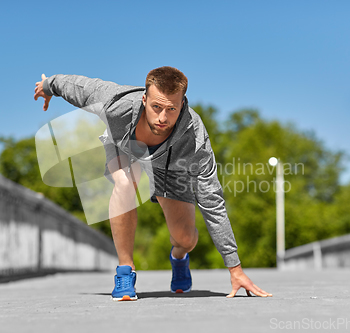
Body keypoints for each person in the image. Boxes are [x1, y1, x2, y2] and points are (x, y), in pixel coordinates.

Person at [34, 66, 272, 301]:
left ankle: (179, 257)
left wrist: (235, 268)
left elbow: (212, 201)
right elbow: (77, 86)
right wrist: (47, 86)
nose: (162, 118)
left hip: (171, 164)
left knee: (186, 238)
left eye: (171, 109)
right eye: (156, 107)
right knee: (125, 183)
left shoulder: (194, 138)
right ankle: (126, 271)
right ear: (144, 99)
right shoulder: (115, 102)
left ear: (182, 105)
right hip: (123, 148)